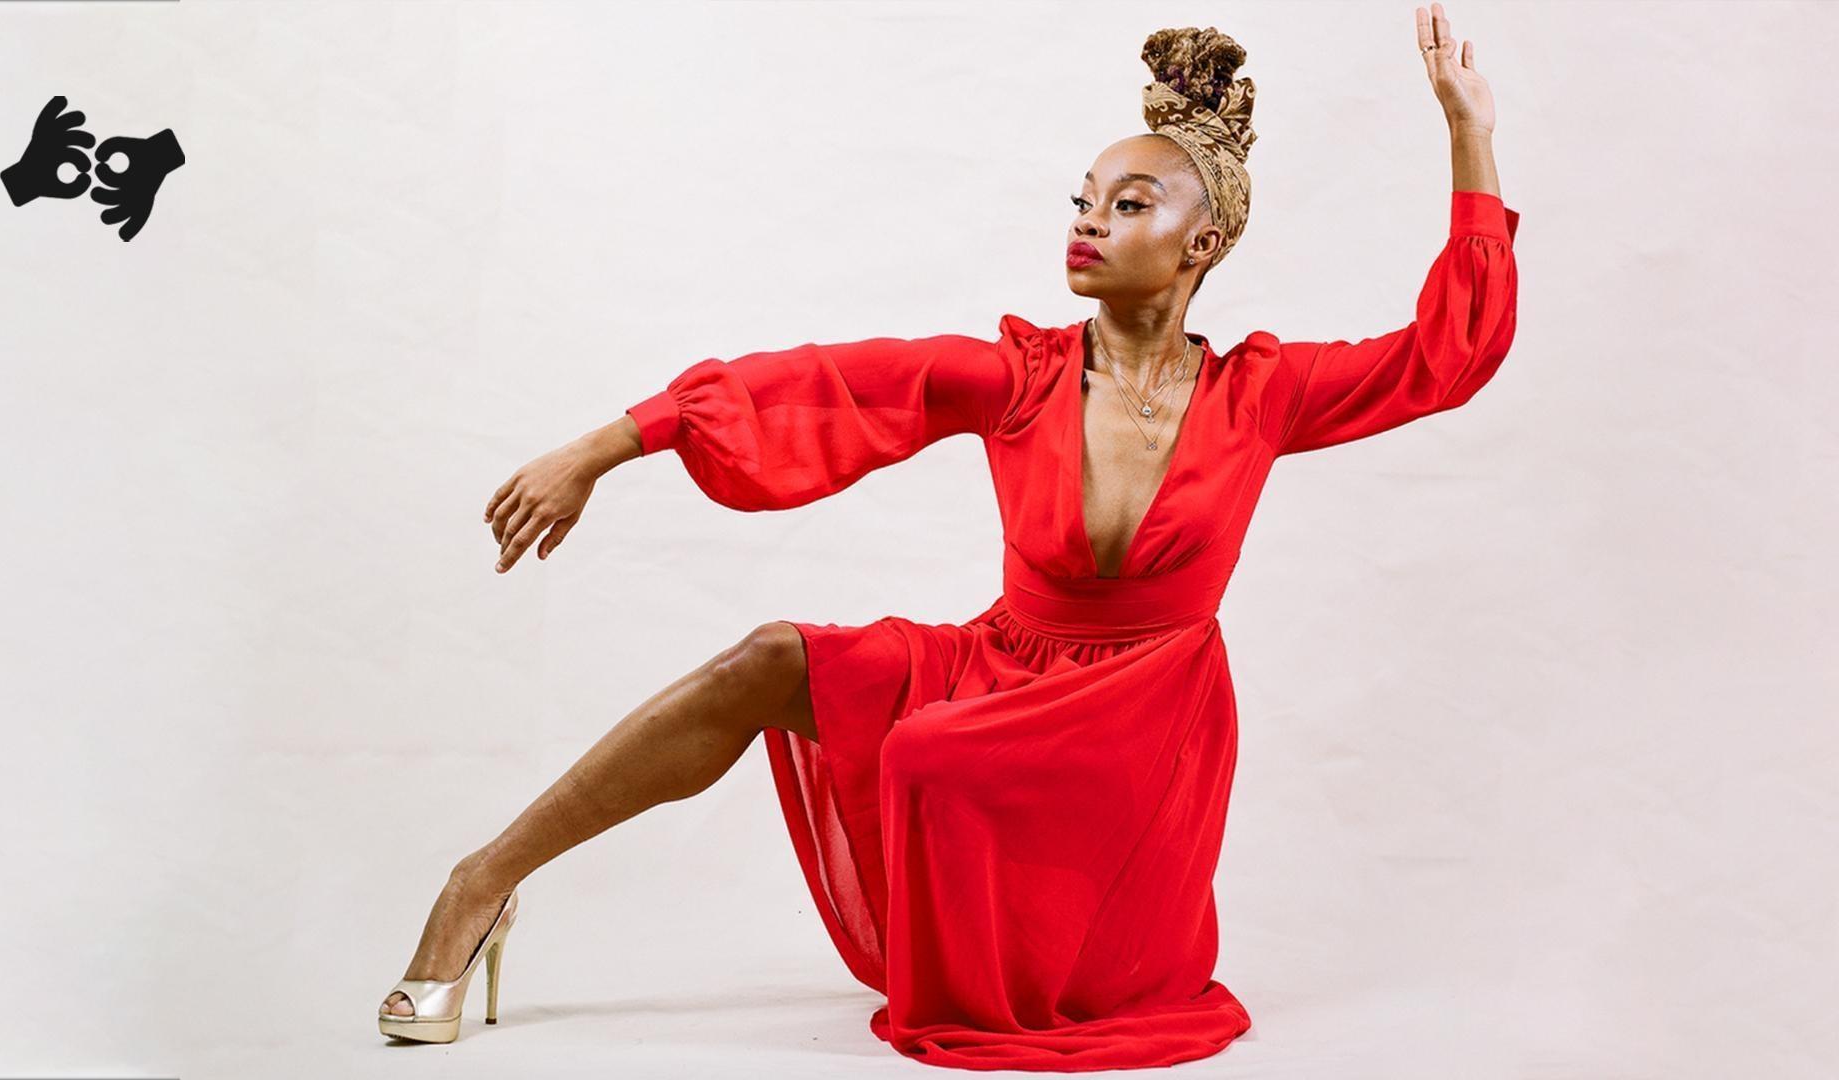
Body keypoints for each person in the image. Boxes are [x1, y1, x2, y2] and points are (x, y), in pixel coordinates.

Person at [379, 7, 1520, 1070]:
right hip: (1008, 667)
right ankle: (482, 881)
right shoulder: (1019, 378)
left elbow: (1449, 352)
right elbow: (826, 383)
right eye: (1083, 198)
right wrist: (608, 444)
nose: (1088, 220)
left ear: (1201, 242)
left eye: (1129, 206)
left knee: (929, 751)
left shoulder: (1260, 394)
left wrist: (1468, 135)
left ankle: (1024, 963)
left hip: (1143, 717)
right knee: (770, 659)